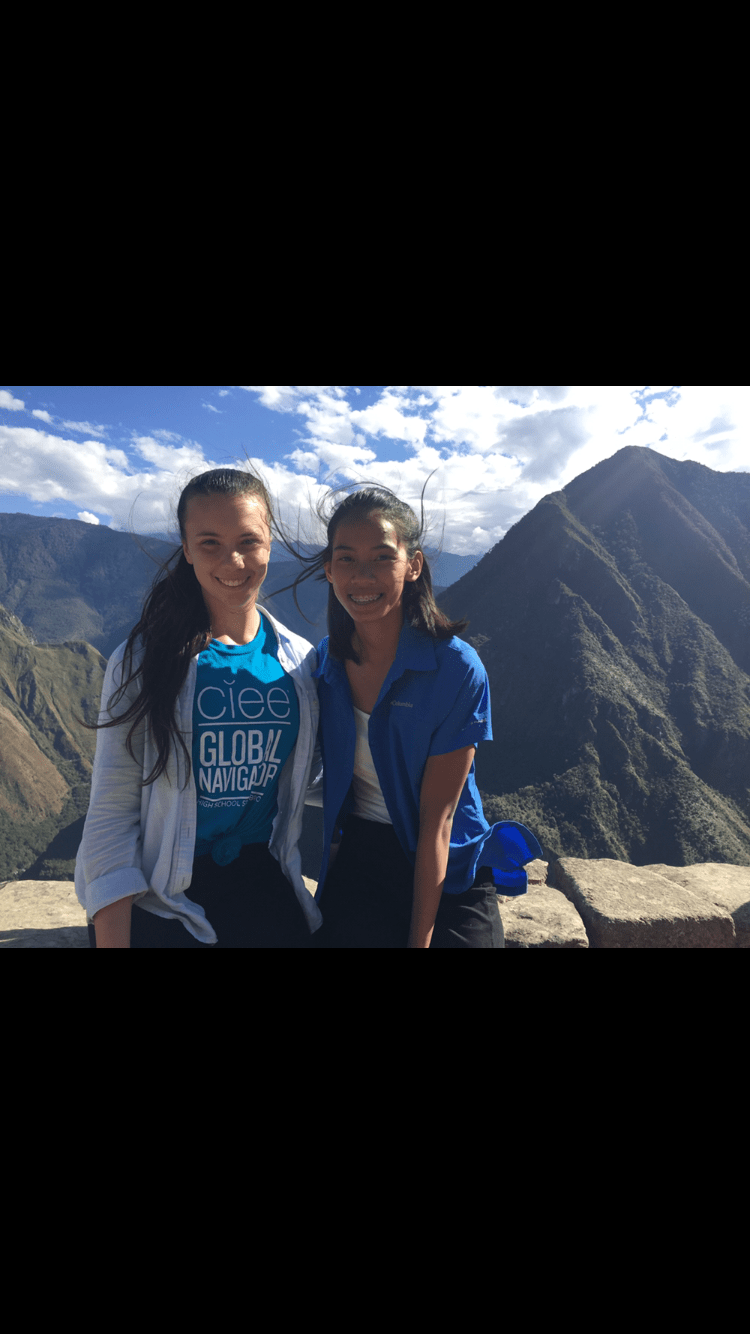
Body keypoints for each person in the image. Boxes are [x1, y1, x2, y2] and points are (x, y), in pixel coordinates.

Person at [75, 467, 322, 948]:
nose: (233, 559)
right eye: (209, 542)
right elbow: (111, 809)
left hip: (263, 886)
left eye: (248, 541)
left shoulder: (300, 663)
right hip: (165, 894)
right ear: (186, 549)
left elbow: (310, 777)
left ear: (270, 542)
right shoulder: (144, 661)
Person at [295, 483, 542, 949]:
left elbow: (438, 821)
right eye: (346, 558)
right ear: (328, 569)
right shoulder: (325, 666)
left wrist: (419, 940)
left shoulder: (454, 669)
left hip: (451, 864)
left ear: (414, 565)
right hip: (363, 853)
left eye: (382, 557)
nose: (362, 576)